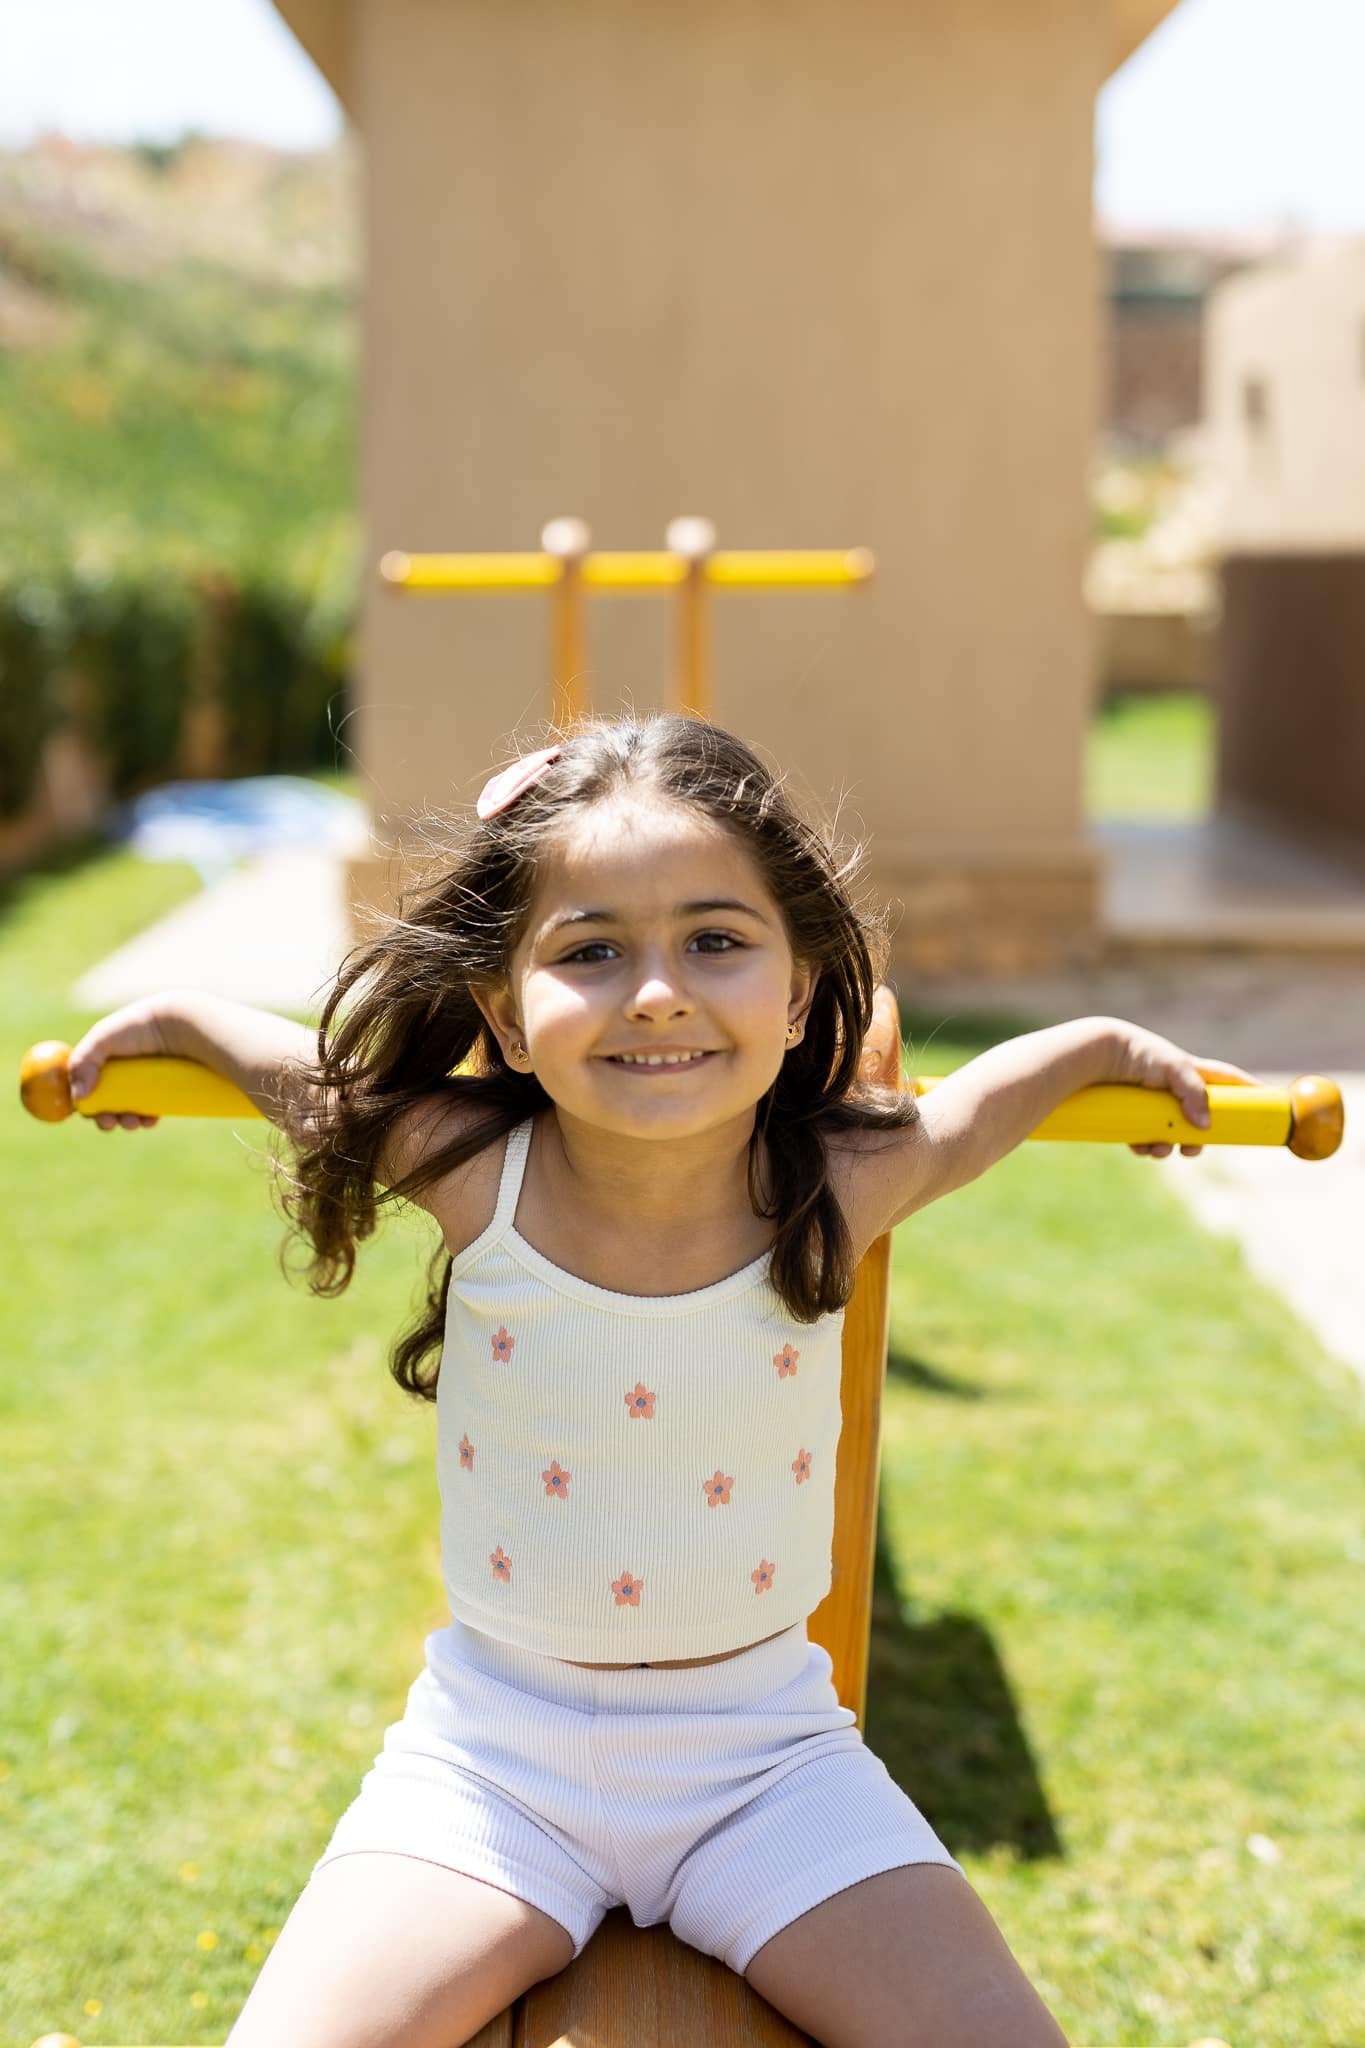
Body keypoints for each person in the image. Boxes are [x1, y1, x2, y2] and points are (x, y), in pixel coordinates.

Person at [68, 714, 1251, 2048]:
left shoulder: (838, 1180)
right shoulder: (473, 1173)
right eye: (590, 952)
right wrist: (172, 1021)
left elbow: (981, 1105)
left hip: (765, 1764)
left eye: (713, 940)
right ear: (507, 1019)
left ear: (799, 992)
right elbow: (309, 1078)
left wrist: (1098, 1045)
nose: (655, 992)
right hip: (490, 1768)